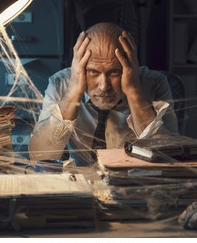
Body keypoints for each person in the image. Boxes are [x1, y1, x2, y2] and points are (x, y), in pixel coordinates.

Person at [29, 22, 178, 166]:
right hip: (82, 183)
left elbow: (166, 155)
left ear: (131, 64)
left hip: (135, 183)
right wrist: (73, 90)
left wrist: (133, 90)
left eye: (114, 72)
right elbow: (40, 156)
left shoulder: (155, 84)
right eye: (93, 71)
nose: (104, 86)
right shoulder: (60, 83)